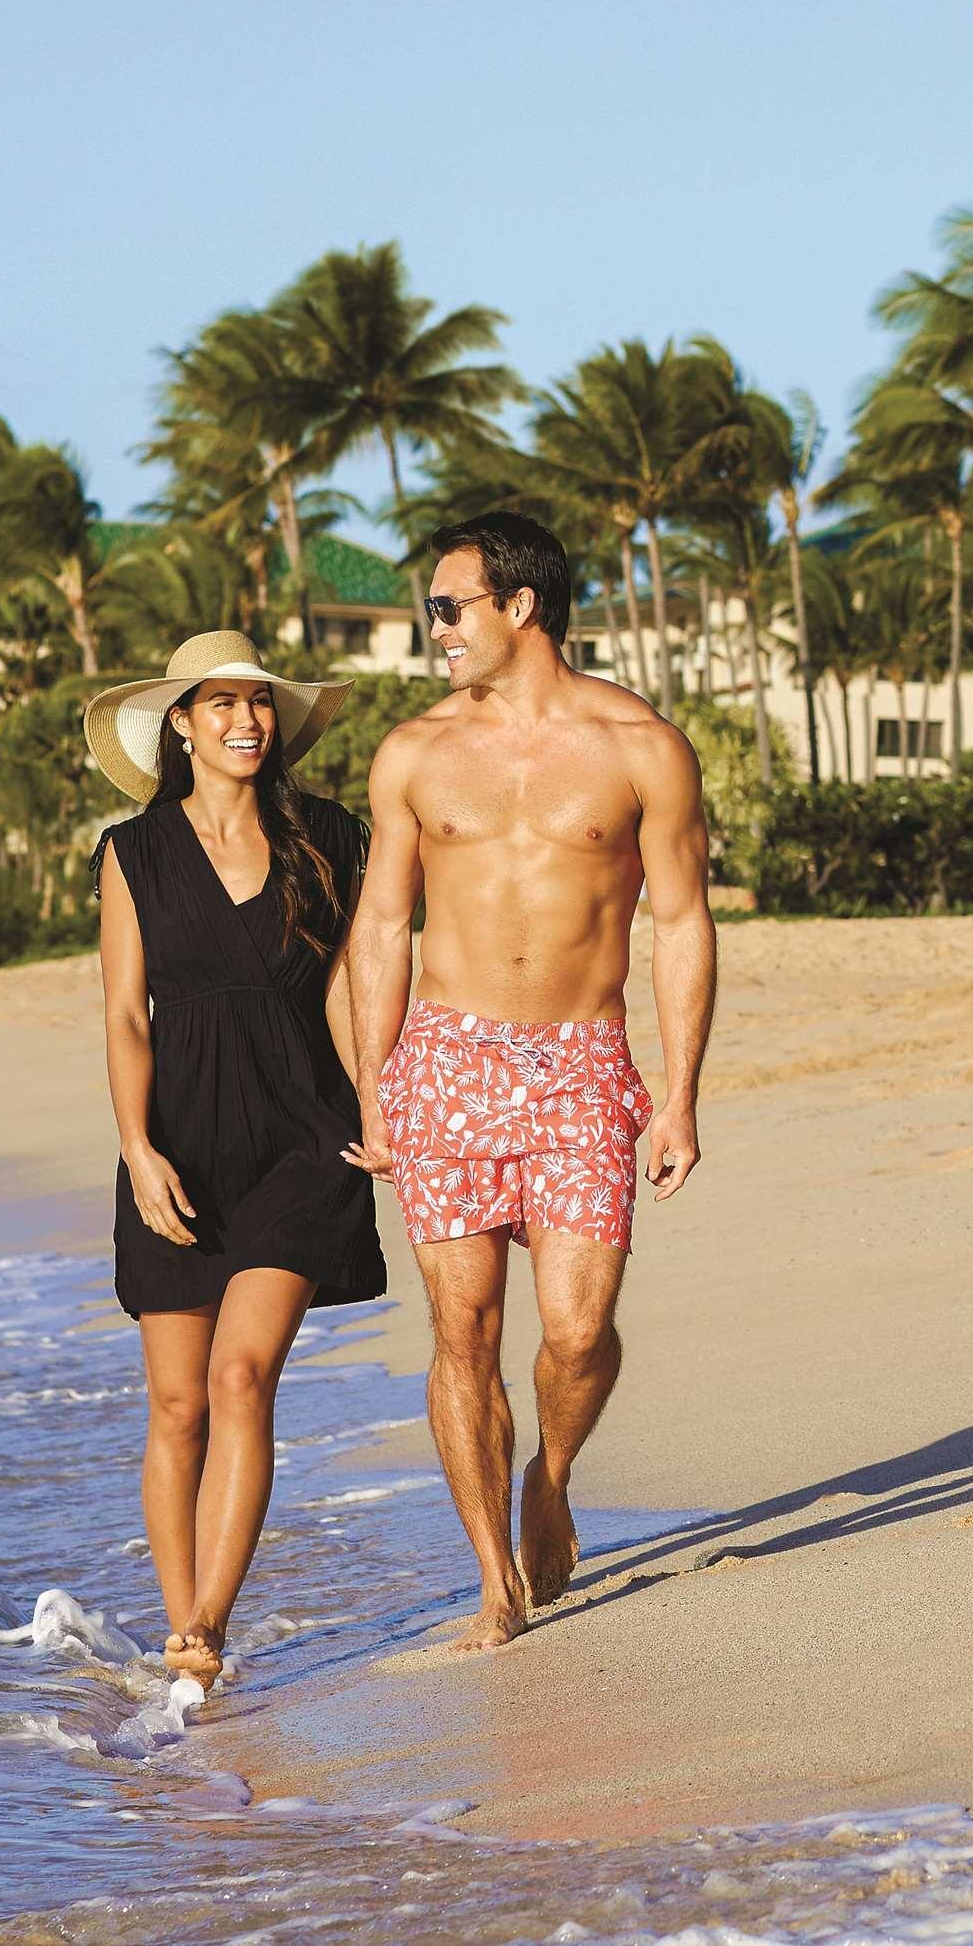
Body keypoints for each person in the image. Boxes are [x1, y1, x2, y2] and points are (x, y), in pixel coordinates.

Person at [342, 510, 716, 1652]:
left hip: (581, 1062)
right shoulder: (412, 751)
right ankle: (494, 1581)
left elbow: (684, 924)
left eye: (448, 609)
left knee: (577, 1327)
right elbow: (380, 924)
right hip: (446, 1058)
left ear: (520, 606)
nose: (435, 631)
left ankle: (550, 1475)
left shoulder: (640, 745)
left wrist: (683, 1094)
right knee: (462, 1328)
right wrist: (375, 1088)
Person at [84, 630, 385, 1691]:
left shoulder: (330, 840)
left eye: (259, 705)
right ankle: (180, 1620)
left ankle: (208, 1623)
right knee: (176, 1405)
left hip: (305, 1135)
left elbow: (356, 988)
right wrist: (136, 1144)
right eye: (221, 704)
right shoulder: (133, 851)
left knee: (241, 1375)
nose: (246, 721)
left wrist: (381, 1106)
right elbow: (125, 1012)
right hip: (179, 1141)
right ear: (180, 722)